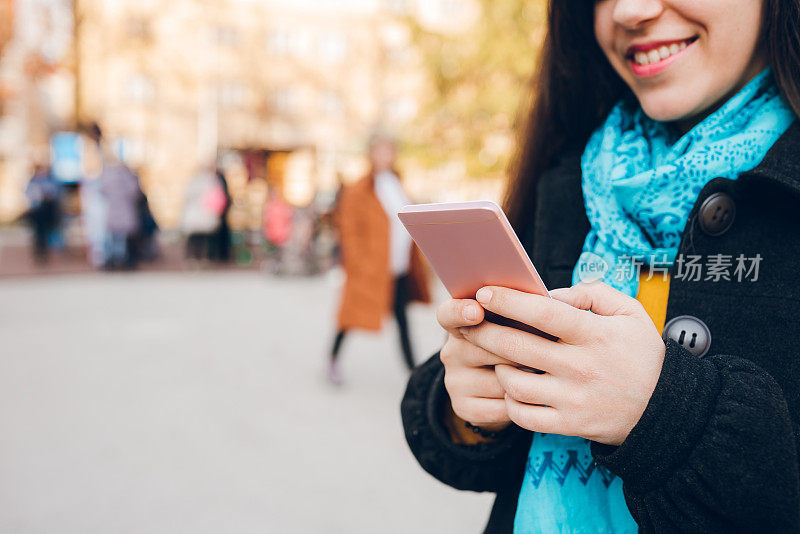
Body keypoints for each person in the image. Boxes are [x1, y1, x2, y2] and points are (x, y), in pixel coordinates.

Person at [401, 1, 800, 532]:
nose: (630, 11)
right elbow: (496, 452)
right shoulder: (570, 174)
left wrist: (663, 413)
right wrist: (466, 402)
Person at [329, 132, 430, 384]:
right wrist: (358, 265)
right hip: (371, 270)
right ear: (371, 153)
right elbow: (349, 232)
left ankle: (414, 373)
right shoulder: (359, 189)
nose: (386, 156)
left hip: (399, 268)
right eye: (381, 150)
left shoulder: (396, 182)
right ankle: (333, 359)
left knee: (403, 321)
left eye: (390, 150)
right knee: (350, 318)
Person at [100, 157, 142, 269]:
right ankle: (122, 259)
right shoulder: (128, 179)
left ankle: (114, 259)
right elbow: (135, 193)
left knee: (114, 237)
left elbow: (102, 191)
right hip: (125, 212)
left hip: (113, 212)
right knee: (123, 237)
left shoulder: (108, 178)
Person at [181, 166, 226, 264]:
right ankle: (201, 258)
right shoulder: (211, 182)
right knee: (202, 238)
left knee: (194, 238)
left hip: (196, 215)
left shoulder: (194, 182)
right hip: (205, 214)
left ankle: (192, 258)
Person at [24, 164, 62, 264]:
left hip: (47, 210)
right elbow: (28, 193)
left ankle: (45, 254)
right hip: (37, 211)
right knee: (38, 234)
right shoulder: (33, 181)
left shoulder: (50, 180)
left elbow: (56, 192)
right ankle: (39, 254)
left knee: (46, 233)